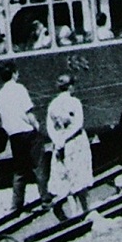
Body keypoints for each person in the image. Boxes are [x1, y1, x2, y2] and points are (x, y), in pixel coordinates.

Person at [0, 62, 48, 211]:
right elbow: (28, 112)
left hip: (14, 135)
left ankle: (16, 205)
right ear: (13, 74)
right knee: (39, 166)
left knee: (19, 170)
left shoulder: (0, 95)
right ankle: (45, 199)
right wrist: (36, 125)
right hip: (27, 132)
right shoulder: (19, 89)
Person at [46, 73, 93, 219]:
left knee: (66, 179)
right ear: (70, 86)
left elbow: (49, 128)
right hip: (75, 143)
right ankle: (85, 210)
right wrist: (67, 138)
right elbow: (78, 124)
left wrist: (58, 141)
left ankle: (74, 212)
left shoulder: (53, 105)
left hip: (60, 145)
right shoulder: (75, 102)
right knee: (80, 177)